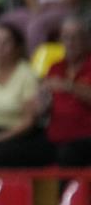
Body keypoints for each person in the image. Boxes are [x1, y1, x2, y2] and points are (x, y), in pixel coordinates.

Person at [0, 24, 53, 168]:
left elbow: (29, 122)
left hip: (20, 135)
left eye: (6, 42)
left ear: (17, 47)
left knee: (4, 153)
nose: (0, 47)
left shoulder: (27, 75)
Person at [40, 16, 91, 167]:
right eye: (66, 37)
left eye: (76, 37)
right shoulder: (55, 67)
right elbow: (43, 110)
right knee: (14, 152)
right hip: (55, 136)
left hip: (85, 136)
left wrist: (68, 86)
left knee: (67, 154)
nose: (70, 42)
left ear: (87, 39)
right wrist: (42, 103)